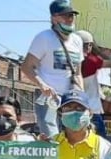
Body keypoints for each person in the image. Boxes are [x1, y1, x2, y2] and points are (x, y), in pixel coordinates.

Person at [20, 0, 83, 139]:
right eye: (65, 16)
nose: (70, 19)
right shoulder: (44, 38)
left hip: (70, 99)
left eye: (72, 15)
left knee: (72, 138)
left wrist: (81, 96)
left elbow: (78, 73)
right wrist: (42, 85)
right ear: (54, 18)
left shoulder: (77, 40)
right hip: (49, 99)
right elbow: (26, 66)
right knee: (52, 139)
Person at [76, 30, 111, 138]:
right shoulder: (90, 60)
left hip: (79, 109)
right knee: (100, 141)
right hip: (92, 110)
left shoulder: (71, 60)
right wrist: (101, 52)